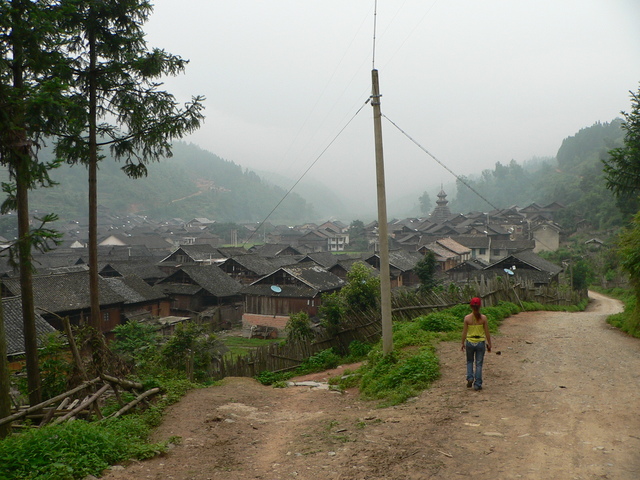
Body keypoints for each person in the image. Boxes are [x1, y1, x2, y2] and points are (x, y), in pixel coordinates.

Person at [461, 297, 492, 391]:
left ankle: (470, 378)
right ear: (480, 306)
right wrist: (489, 343)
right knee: (479, 364)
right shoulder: (483, 318)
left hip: (470, 342)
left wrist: (462, 343)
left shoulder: (467, 318)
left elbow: (464, 332)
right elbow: (487, 332)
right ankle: (477, 384)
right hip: (480, 343)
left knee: (469, 361)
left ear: (471, 306)